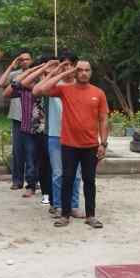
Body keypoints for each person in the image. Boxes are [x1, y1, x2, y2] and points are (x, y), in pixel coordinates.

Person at [33, 59, 109, 229]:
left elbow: (104, 119)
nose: (83, 73)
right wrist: (63, 71)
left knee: (89, 181)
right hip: (69, 144)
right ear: (75, 72)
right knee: (67, 179)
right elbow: (40, 89)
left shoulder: (99, 93)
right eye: (80, 70)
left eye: (87, 70)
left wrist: (103, 143)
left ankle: (91, 215)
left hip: (90, 145)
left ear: (91, 72)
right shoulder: (65, 90)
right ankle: (65, 214)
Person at [44, 51, 83, 217]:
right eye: (64, 64)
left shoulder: (81, 85)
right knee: (58, 173)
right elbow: (41, 88)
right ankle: (59, 205)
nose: (67, 68)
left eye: (70, 65)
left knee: (76, 174)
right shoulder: (55, 85)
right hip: (55, 134)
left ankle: (73, 205)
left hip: (77, 136)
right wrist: (55, 70)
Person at [5, 59, 50, 199]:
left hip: (49, 129)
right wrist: (31, 71)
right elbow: (6, 91)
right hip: (29, 127)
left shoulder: (51, 85)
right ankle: (31, 185)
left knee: (46, 161)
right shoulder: (25, 86)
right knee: (31, 158)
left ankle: (46, 189)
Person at [0, 51, 33, 190]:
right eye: (21, 60)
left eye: (27, 59)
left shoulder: (36, 73)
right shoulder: (15, 74)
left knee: (31, 151)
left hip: (32, 118)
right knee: (17, 151)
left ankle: (32, 181)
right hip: (17, 117)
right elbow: (1, 83)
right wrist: (11, 66)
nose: (24, 62)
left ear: (31, 60)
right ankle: (17, 180)